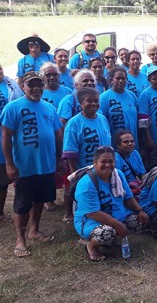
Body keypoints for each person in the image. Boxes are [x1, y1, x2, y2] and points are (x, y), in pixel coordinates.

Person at [1, 72, 62, 257]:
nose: (36, 88)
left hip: (46, 164)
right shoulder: (13, 108)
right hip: (24, 166)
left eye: (39, 84)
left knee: (40, 198)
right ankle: (20, 239)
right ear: (22, 85)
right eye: (31, 85)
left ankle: (34, 230)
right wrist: (9, 164)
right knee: (22, 203)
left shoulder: (49, 108)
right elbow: (6, 137)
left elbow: (58, 133)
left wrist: (58, 159)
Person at [72, 146, 148, 262]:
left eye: (110, 161)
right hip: (91, 220)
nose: (107, 165)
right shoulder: (87, 183)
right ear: (95, 162)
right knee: (106, 233)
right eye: (103, 161)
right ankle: (91, 245)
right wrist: (118, 225)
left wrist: (140, 211)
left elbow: (128, 198)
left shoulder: (118, 175)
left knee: (140, 221)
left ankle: (114, 240)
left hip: (117, 214)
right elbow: (93, 213)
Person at [63, 87, 112, 221]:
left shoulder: (102, 119)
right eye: (89, 101)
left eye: (96, 101)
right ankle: (83, 224)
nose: (93, 104)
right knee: (85, 200)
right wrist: (75, 175)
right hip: (85, 171)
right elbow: (70, 153)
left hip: (104, 169)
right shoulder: (74, 123)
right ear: (80, 103)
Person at [99, 67, 139, 144]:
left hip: (132, 141)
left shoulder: (132, 95)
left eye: (123, 78)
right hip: (114, 143)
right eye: (117, 78)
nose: (121, 81)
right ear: (111, 80)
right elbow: (102, 122)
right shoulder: (104, 97)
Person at [113, 129, 145, 196]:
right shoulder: (115, 159)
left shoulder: (135, 153)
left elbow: (143, 173)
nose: (130, 144)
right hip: (124, 192)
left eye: (132, 141)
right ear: (118, 145)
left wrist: (144, 183)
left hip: (138, 188)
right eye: (126, 142)